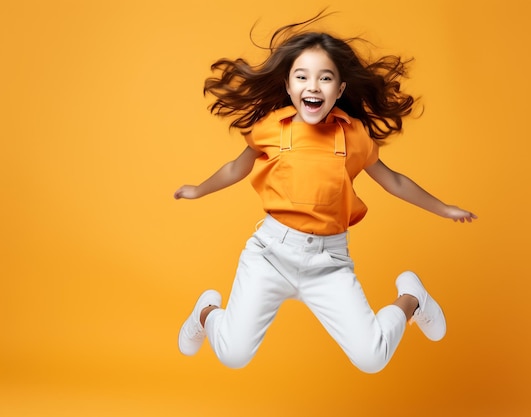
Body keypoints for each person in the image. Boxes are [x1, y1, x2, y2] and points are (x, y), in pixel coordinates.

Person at [174, 13, 477, 374]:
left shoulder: (354, 138)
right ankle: (206, 312)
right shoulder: (271, 128)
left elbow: (393, 180)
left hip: (328, 263)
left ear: (340, 90)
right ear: (288, 87)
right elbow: (236, 168)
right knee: (233, 354)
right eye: (302, 77)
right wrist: (198, 189)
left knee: (372, 358)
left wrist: (443, 208)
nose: (312, 86)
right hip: (270, 255)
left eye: (325, 78)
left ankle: (412, 299)